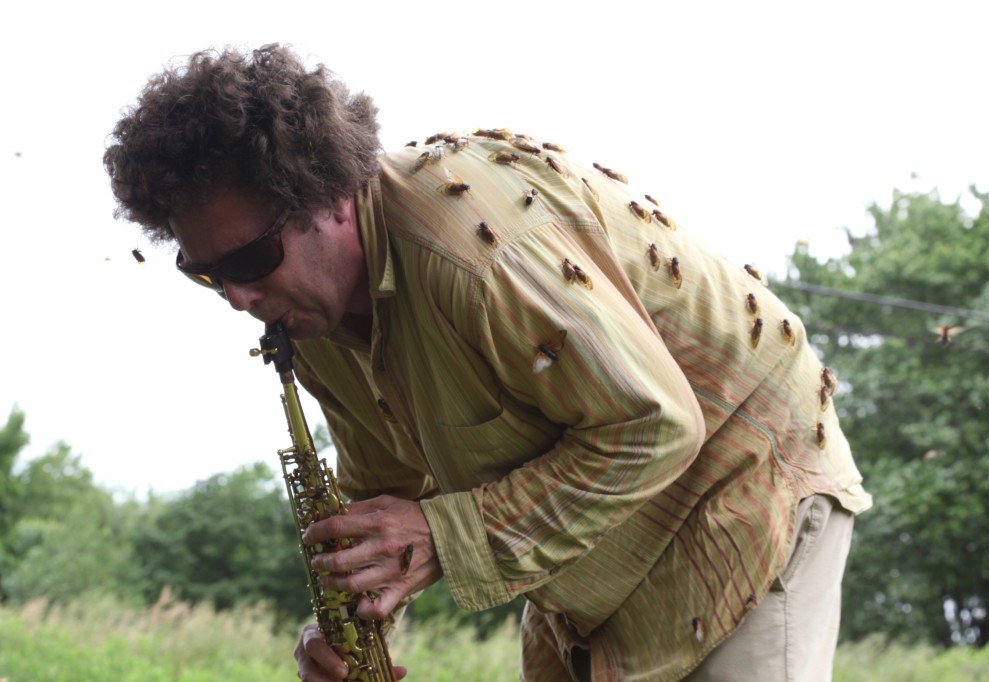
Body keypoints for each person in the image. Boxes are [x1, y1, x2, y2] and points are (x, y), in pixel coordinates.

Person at [104, 43, 872, 682]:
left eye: (251, 257)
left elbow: (657, 424)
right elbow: (384, 485)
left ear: (330, 198)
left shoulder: (479, 252)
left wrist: (442, 538)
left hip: (745, 493)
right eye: (206, 273)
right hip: (596, 567)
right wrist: (350, 621)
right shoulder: (306, 313)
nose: (237, 296)